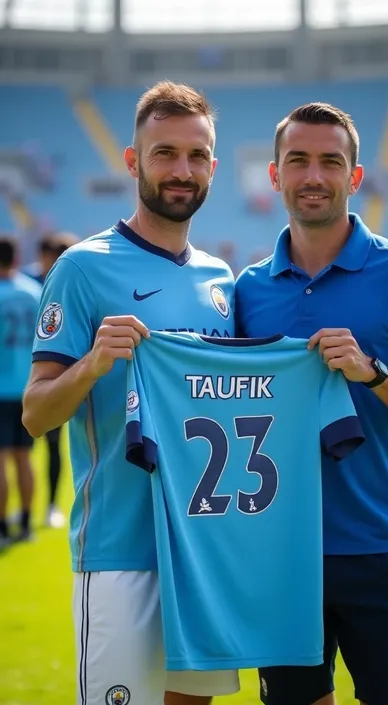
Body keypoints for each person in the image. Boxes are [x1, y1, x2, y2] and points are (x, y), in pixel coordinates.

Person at [22, 81, 239, 705]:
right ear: (131, 161)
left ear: (213, 167)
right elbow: (36, 415)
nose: (182, 170)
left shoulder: (220, 279)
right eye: (164, 153)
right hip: (120, 550)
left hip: (203, 550)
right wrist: (91, 364)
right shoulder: (83, 267)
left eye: (197, 156)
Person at [235, 102, 388, 705]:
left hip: (376, 545)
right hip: (279, 553)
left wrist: (373, 372)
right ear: (276, 175)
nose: (314, 176)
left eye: (331, 162)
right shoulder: (247, 289)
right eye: (298, 161)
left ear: (354, 177)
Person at [24, 231, 79, 528]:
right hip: (25, 378)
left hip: (55, 379)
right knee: (20, 452)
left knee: (54, 446)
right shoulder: (28, 286)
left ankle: (50, 506)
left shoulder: (71, 285)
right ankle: (22, 511)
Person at [0, 237, 42, 547]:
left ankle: (2, 527)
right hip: (28, 386)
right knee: (24, 459)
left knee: (1, 461)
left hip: (1, 388)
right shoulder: (34, 292)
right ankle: (26, 522)